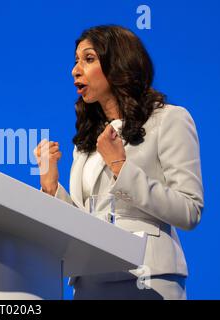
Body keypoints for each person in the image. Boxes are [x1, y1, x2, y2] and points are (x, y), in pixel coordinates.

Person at [34, 25, 204, 300]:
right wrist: (52, 187)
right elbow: (85, 220)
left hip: (147, 278)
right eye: (76, 60)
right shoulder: (87, 141)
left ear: (119, 63)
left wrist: (121, 168)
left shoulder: (169, 119)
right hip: (89, 281)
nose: (75, 70)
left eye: (88, 59)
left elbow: (189, 210)